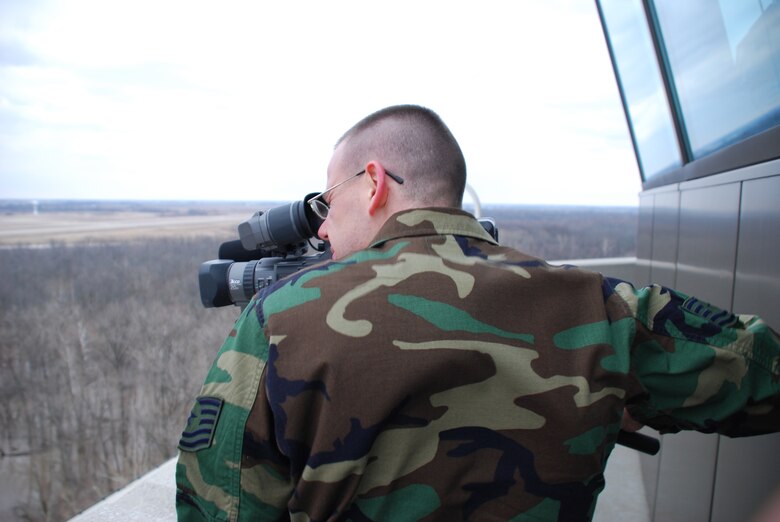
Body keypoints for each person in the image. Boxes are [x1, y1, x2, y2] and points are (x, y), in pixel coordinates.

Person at [176, 105, 780, 521]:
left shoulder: (282, 319)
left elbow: (218, 504)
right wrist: (602, 400)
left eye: (327, 203)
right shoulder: (602, 309)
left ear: (375, 182)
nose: (325, 228)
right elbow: (764, 376)